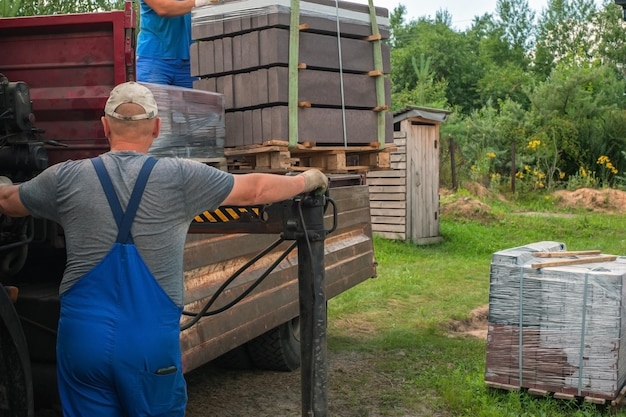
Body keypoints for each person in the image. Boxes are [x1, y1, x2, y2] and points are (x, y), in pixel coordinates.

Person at [0, 81, 328, 417]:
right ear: (157, 128)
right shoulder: (181, 177)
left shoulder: (67, 177)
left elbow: (8, 201)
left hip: (83, 342)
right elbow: (256, 189)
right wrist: (309, 179)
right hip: (149, 345)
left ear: (104, 126)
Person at [136, 0, 215, 88]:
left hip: (187, 62)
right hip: (154, 60)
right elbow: (163, 8)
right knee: (154, 101)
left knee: (193, 101)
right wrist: (201, 2)